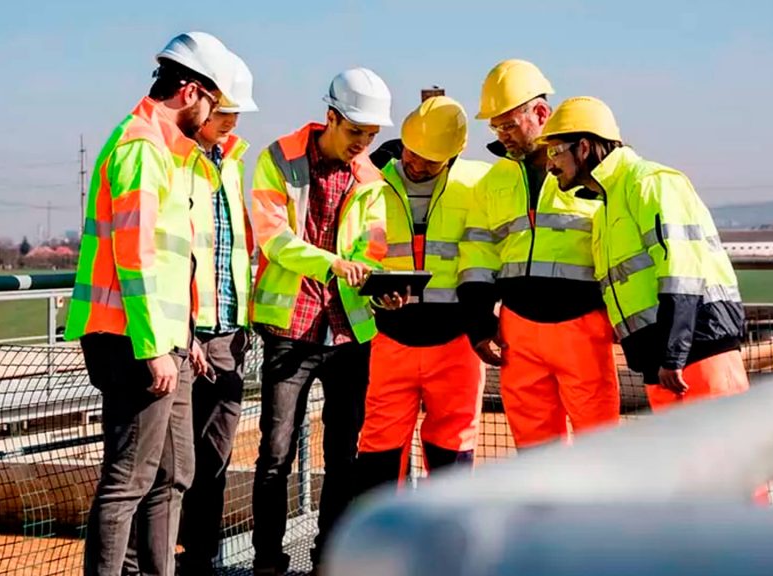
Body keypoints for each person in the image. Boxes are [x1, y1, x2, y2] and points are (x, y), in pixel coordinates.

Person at [63, 31, 236, 576]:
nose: (213, 116)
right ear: (190, 92)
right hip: (133, 342)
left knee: (174, 474)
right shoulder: (141, 149)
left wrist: (183, 339)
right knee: (129, 482)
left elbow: (167, 264)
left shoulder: (165, 152)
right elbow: (134, 259)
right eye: (212, 103)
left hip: (165, 340)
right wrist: (155, 348)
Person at [248, 67, 392, 575]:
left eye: (372, 136)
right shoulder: (277, 160)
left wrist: (379, 288)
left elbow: (371, 252)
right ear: (331, 117)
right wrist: (332, 263)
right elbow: (273, 239)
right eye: (356, 132)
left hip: (350, 333)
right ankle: (268, 560)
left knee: (343, 454)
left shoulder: (372, 179)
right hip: (290, 328)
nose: (363, 145)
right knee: (275, 452)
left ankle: (328, 559)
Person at [539, 96, 749, 411]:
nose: (550, 165)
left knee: (731, 455)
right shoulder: (608, 205)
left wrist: (673, 354)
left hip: (697, 354)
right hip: (661, 363)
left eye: (555, 152)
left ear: (583, 147)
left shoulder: (650, 183)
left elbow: (682, 273)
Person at [458, 60, 619, 449]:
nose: (502, 135)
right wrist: (480, 323)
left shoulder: (592, 171)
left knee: (598, 446)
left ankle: (597, 514)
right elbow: (478, 254)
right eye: (496, 127)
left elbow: (620, 247)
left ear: (541, 113)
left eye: (509, 124)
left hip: (583, 326)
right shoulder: (492, 181)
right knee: (533, 450)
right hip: (518, 332)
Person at [355, 95, 491, 494]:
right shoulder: (372, 180)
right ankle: (382, 546)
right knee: (379, 448)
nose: (415, 165)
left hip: (457, 344)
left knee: (453, 450)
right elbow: (353, 251)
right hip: (388, 338)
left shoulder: (478, 185)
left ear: (453, 155)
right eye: (411, 154)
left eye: (429, 161)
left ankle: (446, 545)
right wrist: (374, 295)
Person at [177, 54, 258, 574]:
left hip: (228, 331)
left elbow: (233, 247)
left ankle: (202, 557)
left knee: (215, 457)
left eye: (235, 113)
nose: (230, 120)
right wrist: (186, 330)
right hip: (186, 334)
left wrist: (244, 320)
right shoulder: (175, 158)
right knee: (175, 463)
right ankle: (167, 555)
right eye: (223, 110)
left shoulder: (229, 161)